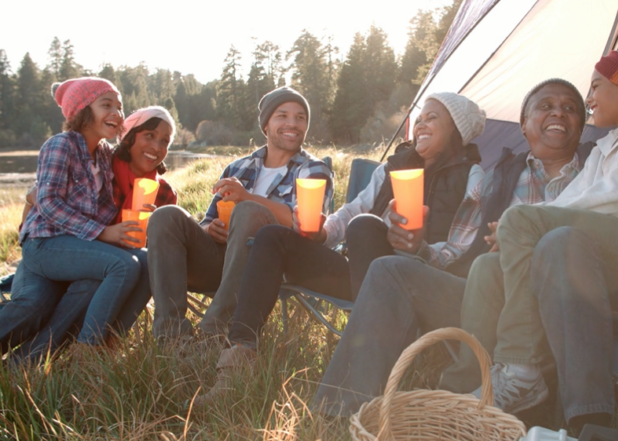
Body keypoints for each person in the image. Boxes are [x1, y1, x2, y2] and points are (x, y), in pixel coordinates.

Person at [442, 44, 618, 431]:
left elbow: (615, 194)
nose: (589, 99)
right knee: (490, 264)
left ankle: (521, 369)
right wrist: (523, 225)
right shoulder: (607, 146)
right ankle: (460, 394)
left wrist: (529, 219)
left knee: (528, 222)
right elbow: (573, 199)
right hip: (604, 258)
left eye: (594, 87)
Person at [311, 79, 590, 417]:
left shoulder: (599, 171)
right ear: (523, 125)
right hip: (488, 298)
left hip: (559, 304)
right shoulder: (500, 177)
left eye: (570, 107)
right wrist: (420, 249)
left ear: (583, 124)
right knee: (388, 268)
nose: (558, 112)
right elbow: (464, 247)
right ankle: (339, 410)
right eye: (545, 106)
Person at [194, 92, 487, 407]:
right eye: (420, 118)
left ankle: (365, 365)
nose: (421, 125)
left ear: (456, 129)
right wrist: (323, 233)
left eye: (433, 118)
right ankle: (239, 358)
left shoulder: (472, 177)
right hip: (360, 274)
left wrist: (420, 248)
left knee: (365, 226)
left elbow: (461, 248)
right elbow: (351, 211)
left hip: (416, 281)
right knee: (273, 236)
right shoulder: (393, 167)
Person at [146, 86, 333, 341]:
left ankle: (214, 333)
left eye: (300, 117)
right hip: (220, 261)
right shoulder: (239, 166)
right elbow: (207, 221)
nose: (293, 123)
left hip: (271, 266)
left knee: (248, 211)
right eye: (283, 115)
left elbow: (306, 224)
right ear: (266, 125)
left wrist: (248, 198)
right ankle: (172, 338)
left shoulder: (313, 170)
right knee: (165, 216)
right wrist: (209, 230)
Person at [4, 106, 179, 360]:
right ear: (129, 137)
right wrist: (31, 208)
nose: (156, 145)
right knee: (34, 305)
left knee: (117, 273)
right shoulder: (104, 164)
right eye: (149, 135)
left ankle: (34, 363)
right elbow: (41, 197)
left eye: (165, 141)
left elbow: (155, 250)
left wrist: (155, 226)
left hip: (105, 267)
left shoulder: (164, 193)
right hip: (57, 249)